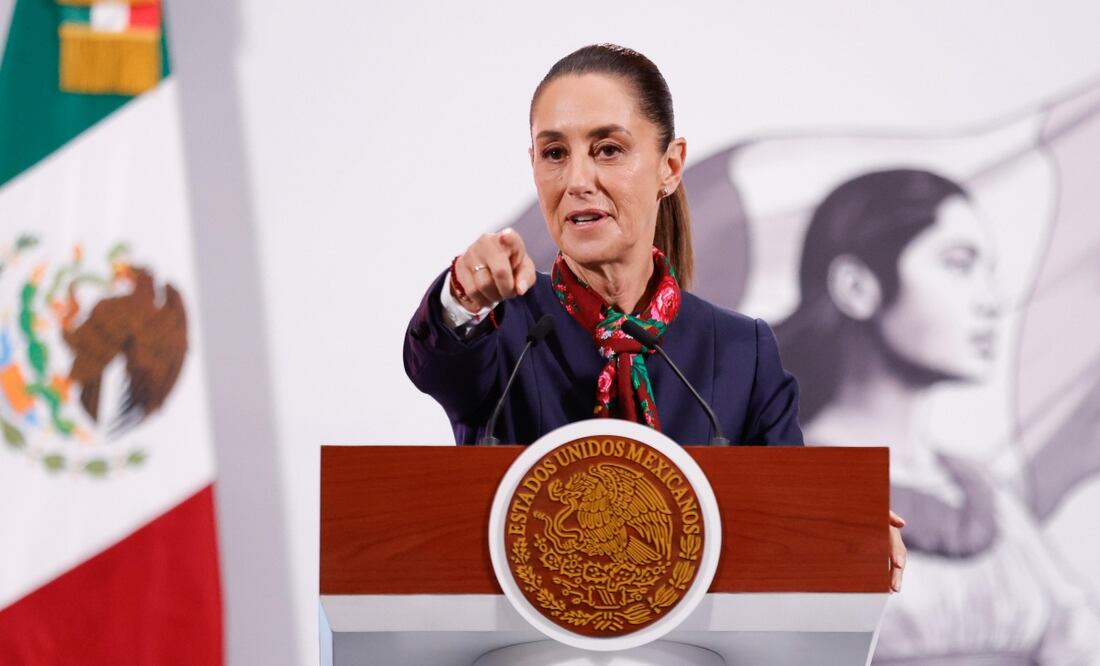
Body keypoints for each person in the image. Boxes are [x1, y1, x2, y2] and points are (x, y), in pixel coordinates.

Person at [402, 43, 905, 592]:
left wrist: (843, 529)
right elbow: (436, 361)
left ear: (670, 166)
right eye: (554, 154)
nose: (576, 180)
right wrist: (463, 294)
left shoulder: (741, 351)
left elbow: (788, 514)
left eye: (608, 149)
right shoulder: (505, 326)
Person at [774, 168, 1100, 664]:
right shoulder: (782, 485)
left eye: (989, 272)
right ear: (857, 285)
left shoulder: (985, 495)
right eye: (958, 264)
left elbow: (1075, 635)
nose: (990, 302)